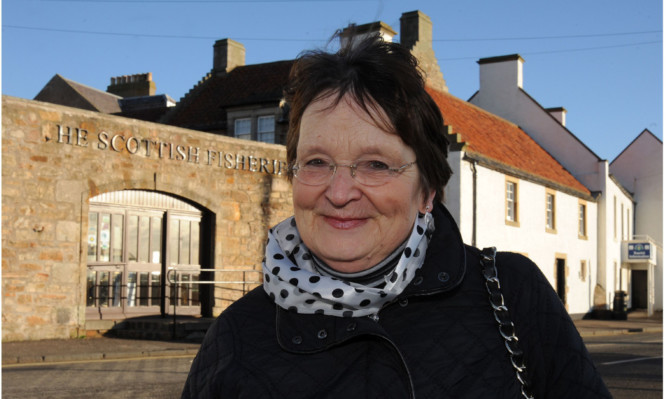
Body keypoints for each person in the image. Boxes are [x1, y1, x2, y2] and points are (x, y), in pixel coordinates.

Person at [182, 35, 611, 399]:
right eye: (316, 162)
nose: (340, 192)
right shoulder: (235, 337)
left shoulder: (511, 294)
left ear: (426, 190)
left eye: (376, 165)